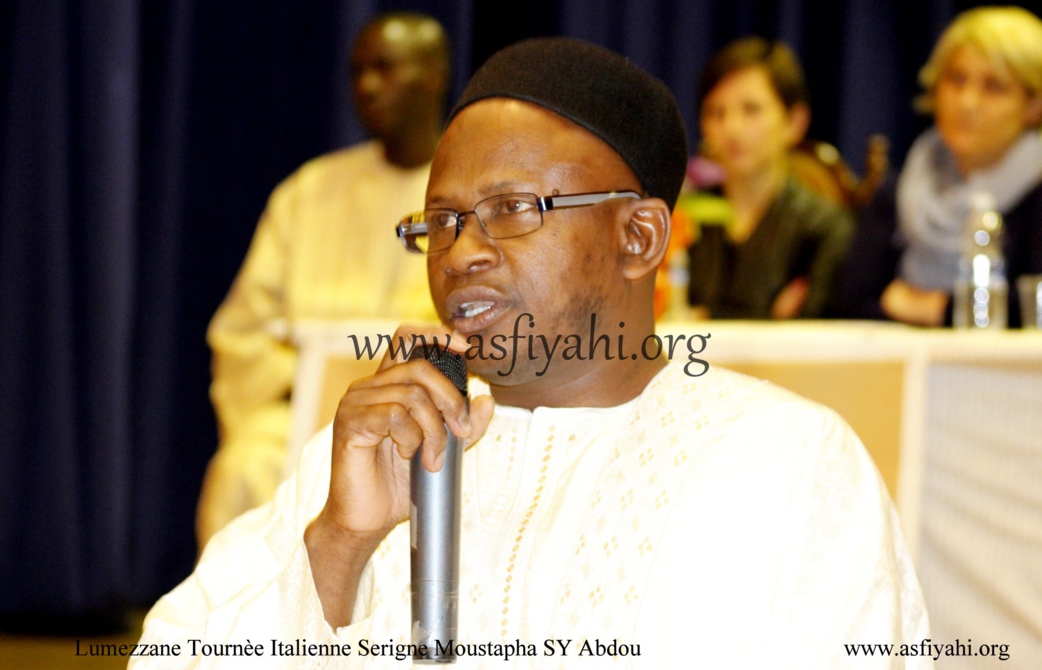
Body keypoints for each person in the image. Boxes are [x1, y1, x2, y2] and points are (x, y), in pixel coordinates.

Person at [134, 37, 928, 667]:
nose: (460, 251)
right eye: (439, 221)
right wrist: (339, 543)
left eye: (511, 209)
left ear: (640, 236)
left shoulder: (787, 459)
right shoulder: (371, 454)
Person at [196, 12, 451, 548]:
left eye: (385, 68)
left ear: (433, 74)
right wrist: (318, 380)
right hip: (307, 421)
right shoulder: (309, 193)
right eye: (358, 71)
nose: (366, 86)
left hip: (427, 425)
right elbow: (241, 332)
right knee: (246, 465)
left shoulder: (470, 193)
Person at [836, 6, 1042, 327]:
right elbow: (854, 300)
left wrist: (938, 309)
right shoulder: (901, 186)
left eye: (994, 86)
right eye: (956, 79)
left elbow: (1033, 304)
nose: (967, 102)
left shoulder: (1036, 192)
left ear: (1033, 105)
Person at [675, 37, 854, 320]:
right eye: (716, 112)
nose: (731, 129)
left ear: (795, 122)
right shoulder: (683, 216)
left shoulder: (824, 229)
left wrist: (705, 315)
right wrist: (770, 315)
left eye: (751, 110)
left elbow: (814, 332)